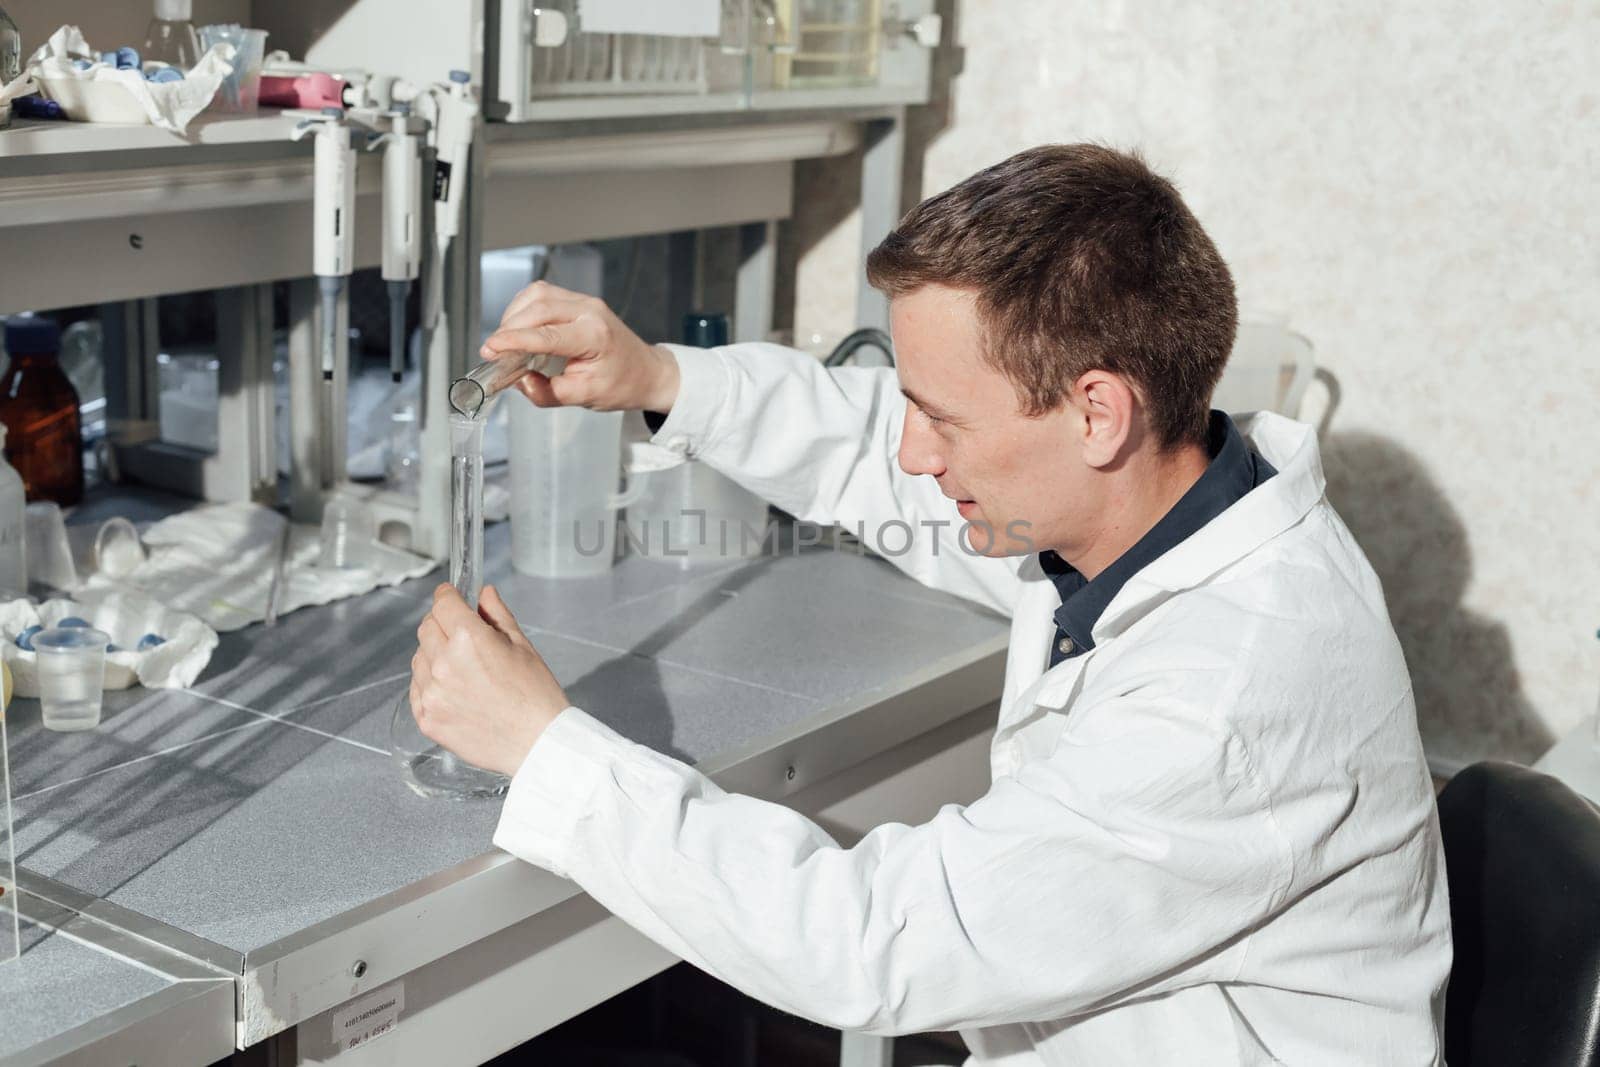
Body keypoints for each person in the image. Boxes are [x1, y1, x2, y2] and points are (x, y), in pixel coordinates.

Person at [409, 144, 1451, 1065]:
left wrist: (547, 748)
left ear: (1098, 411)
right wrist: (655, 375)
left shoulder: (1230, 694)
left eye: (939, 416)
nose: (913, 451)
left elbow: (876, 941)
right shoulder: (1155, 497)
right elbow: (869, 447)